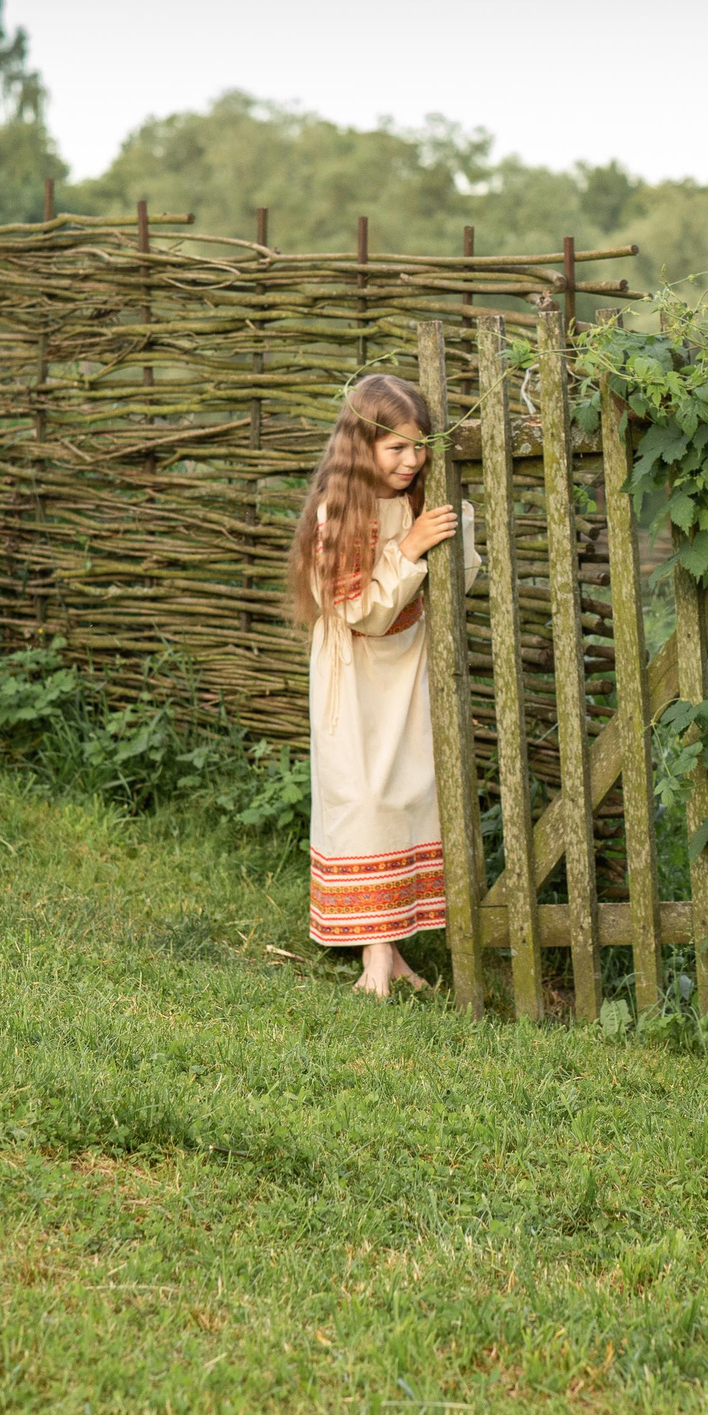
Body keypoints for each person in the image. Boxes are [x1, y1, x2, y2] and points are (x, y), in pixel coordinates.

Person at [287, 374, 478, 998]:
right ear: (359, 446)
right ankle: (375, 958)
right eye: (396, 447)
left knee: (405, 794)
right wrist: (410, 550)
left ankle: (389, 954)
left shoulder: (418, 501)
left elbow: (459, 583)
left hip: (409, 667)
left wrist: (451, 529)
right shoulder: (338, 511)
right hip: (356, 678)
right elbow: (359, 611)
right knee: (365, 796)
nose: (411, 460)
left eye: (420, 446)